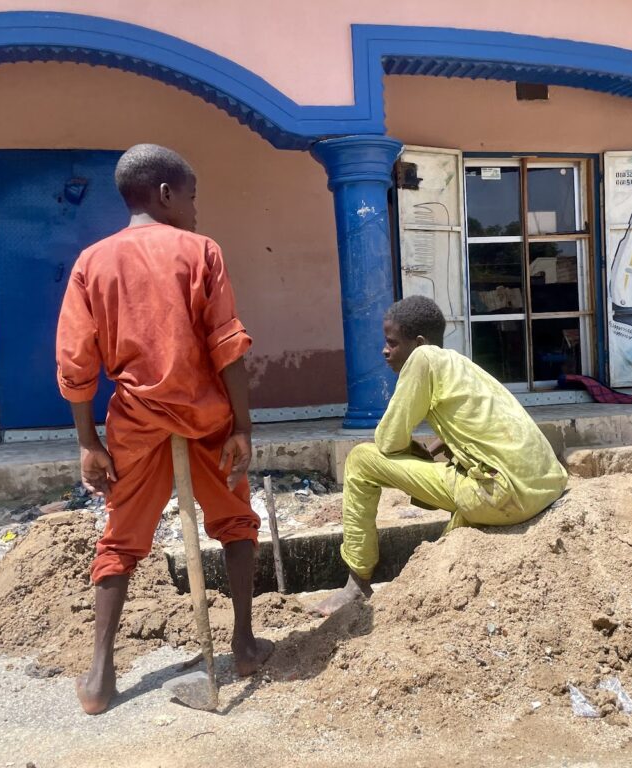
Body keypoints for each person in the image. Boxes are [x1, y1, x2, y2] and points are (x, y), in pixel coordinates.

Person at [55, 143, 271, 715]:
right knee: (235, 520)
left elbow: (76, 361)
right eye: (193, 197)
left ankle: (101, 676)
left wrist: (87, 442)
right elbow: (228, 348)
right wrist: (243, 426)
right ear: (167, 194)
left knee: (121, 539)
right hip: (207, 420)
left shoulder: (91, 262)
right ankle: (244, 643)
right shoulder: (201, 251)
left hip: (136, 422)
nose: (197, 210)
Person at [313, 296, 569, 616]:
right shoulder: (461, 365)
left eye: (392, 343)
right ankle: (432, 573)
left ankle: (356, 582)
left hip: (503, 494)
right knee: (457, 476)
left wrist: (413, 451)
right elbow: (470, 434)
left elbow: (388, 440)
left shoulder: (423, 360)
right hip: (544, 485)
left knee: (360, 460)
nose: (385, 351)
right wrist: (432, 448)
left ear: (418, 343)